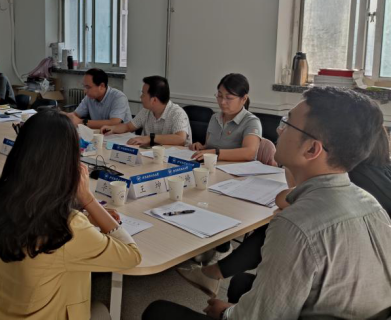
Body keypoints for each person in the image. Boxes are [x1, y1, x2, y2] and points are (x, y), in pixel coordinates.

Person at [143, 87, 391, 319]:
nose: (279, 131)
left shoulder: (296, 225)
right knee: (241, 283)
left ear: (312, 150)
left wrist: (225, 313)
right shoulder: (371, 205)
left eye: (288, 123)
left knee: (158, 311)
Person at [0, 110, 141, 320]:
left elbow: (35, 220)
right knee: (100, 312)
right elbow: (132, 255)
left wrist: (83, 215)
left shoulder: (3, 198)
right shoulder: (67, 227)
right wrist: (88, 200)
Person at [184, 126, 391, 301]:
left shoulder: (349, 176)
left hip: (343, 269)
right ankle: (215, 272)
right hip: (368, 267)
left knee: (284, 223)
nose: (280, 130)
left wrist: (294, 165)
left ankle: (215, 273)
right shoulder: (383, 170)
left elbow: (286, 198)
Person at [101, 76, 191, 147]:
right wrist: (112, 129)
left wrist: (149, 138)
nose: (140, 97)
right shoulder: (146, 111)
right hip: (149, 154)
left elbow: (180, 138)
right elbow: (128, 127)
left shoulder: (177, 113)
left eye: (143, 94)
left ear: (154, 100)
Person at [189, 73, 261, 162]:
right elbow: (210, 146)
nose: (222, 102)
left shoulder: (251, 121)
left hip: (235, 169)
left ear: (244, 99)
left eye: (229, 98)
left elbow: (250, 153)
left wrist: (215, 153)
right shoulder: (215, 118)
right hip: (212, 166)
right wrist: (202, 148)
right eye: (220, 96)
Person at [66, 68, 132, 129]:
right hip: (101, 134)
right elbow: (75, 115)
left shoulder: (119, 97)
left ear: (101, 86)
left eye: (88, 87)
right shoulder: (89, 97)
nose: (85, 91)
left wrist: (82, 122)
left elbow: (114, 122)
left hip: (124, 136)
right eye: (84, 87)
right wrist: (66, 116)